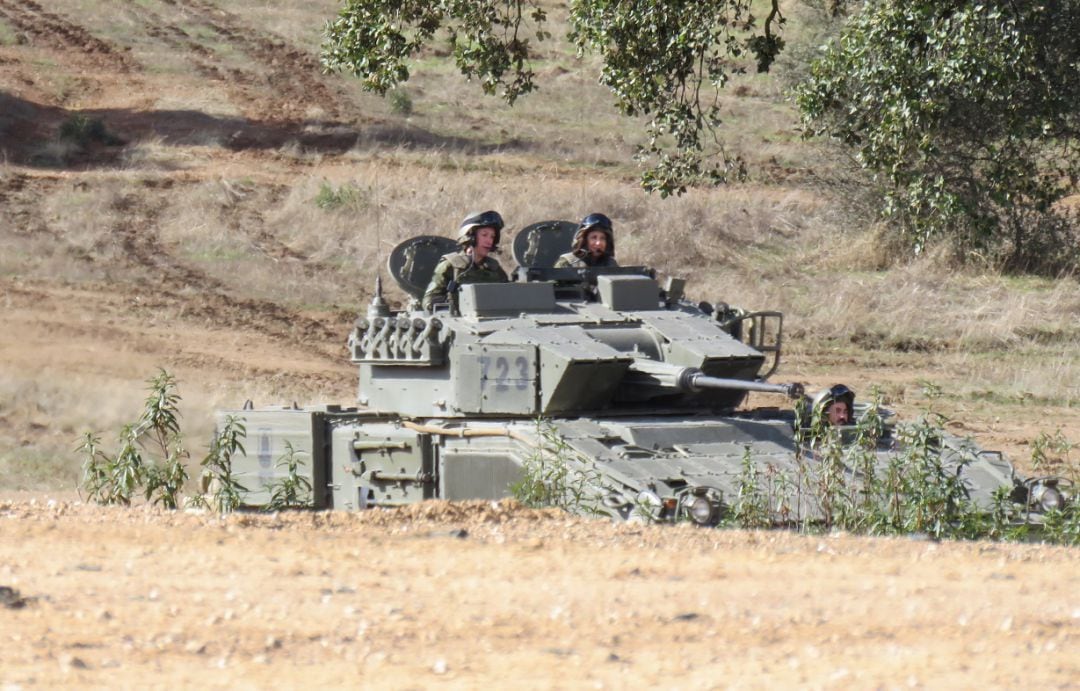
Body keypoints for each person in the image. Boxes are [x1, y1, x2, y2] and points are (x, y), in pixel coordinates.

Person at [422, 210, 510, 310]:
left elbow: (509, 296)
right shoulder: (450, 265)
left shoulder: (494, 268)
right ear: (470, 236)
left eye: (492, 237)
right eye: (484, 235)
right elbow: (429, 301)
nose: (489, 240)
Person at [554, 213, 618, 268]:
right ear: (584, 240)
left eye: (602, 238)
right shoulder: (567, 263)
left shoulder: (611, 264)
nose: (598, 243)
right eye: (593, 237)